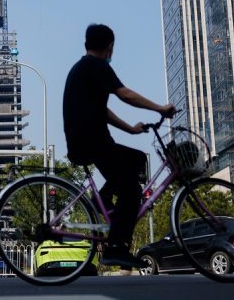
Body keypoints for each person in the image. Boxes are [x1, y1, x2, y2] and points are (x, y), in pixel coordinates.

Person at [63, 23, 176, 268]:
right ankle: (116, 247)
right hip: (93, 141)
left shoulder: (83, 68)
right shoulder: (97, 66)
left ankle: (102, 199)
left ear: (86, 43)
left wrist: (131, 129)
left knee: (136, 158)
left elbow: (101, 111)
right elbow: (125, 94)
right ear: (110, 46)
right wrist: (160, 108)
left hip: (87, 140)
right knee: (131, 190)